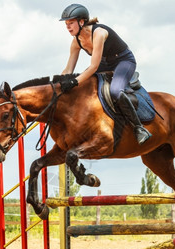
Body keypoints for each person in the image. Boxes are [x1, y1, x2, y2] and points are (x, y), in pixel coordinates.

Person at [59, 4, 152, 145]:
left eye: (71, 23)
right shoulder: (76, 42)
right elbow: (68, 70)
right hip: (105, 63)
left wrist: (74, 82)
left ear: (81, 22)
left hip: (123, 61)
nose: (68, 27)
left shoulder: (99, 33)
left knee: (115, 91)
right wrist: (58, 84)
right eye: (66, 24)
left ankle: (139, 128)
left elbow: (93, 67)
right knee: (82, 86)